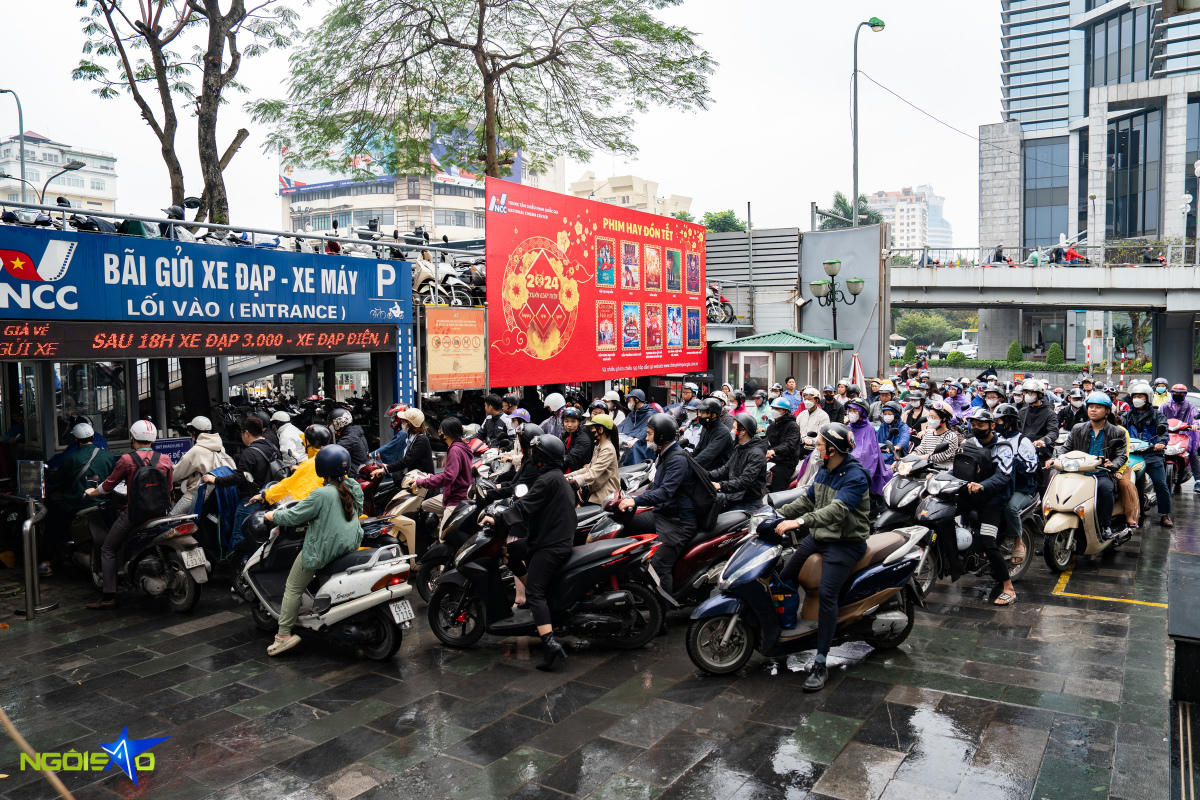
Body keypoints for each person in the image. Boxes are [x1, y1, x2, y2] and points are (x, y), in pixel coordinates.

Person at [773, 423, 870, 691]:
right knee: (785, 576)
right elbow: (808, 500)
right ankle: (787, 628)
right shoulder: (825, 470)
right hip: (820, 536)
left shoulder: (855, 476)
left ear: (833, 449)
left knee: (828, 595)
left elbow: (836, 511)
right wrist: (778, 514)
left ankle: (820, 661)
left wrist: (800, 522)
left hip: (845, 543)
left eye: (820, 445)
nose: (816, 448)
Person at [263, 444, 363, 656]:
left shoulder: (321, 494)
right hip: (349, 546)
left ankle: (282, 636)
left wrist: (273, 516)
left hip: (324, 551)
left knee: (292, 586)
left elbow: (294, 516)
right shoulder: (353, 487)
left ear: (321, 468)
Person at [492, 435, 576, 670]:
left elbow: (523, 506)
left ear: (542, 457)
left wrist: (498, 518)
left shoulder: (547, 480)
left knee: (536, 594)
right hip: (550, 538)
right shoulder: (555, 478)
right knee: (512, 549)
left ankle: (550, 645)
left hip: (551, 545)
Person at [83, 420, 174, 609]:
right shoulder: (165, 459)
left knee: (107, 548)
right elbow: (170, 487)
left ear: (132, 438)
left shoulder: (126, 460)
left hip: (135, 514)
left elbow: (108, 485)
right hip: (161, 512)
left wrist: (93, 492)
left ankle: (108, 595)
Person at [619, 414, 693, 595]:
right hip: (663, 514)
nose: (646, 438)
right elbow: (654, 486)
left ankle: (662, 615)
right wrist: (629, 495)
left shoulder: (677, 460)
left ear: (660, 436)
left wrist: (635, 501)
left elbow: (665, 492)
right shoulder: (664, 454)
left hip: (678, 522)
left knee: (659, 565)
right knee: (624, 524)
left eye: (650, 434)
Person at [951, 408, 1018, 605]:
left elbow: (1003, 476)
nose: (976, 427)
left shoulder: (1003, 447)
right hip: (970, 495)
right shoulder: (970, 443)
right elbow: (958, 468)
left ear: (991, 425)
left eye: (980, 424)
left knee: (989, 541)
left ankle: (1008, 587)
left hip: (993, 500)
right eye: (973, 424)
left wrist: (983, 485)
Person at [42, 422, 116, 575]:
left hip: (78, 504)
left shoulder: (70, 458)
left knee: (52, 520)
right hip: (104, 503)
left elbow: (58, 480)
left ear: (75, 440)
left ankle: (48, 560)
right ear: (94, 436)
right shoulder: (108, 456)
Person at [202, 416, 281, 554]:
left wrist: (215, 480)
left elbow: (240, 478)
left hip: (250, 501)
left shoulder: (249, 453)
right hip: (270, 499)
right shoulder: (272, 447)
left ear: (246, 433)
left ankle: (238, 570)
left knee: (240, 537)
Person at [1058, 392, 1128, 541]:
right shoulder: (1078, 428)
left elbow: (1122, 455)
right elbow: (1066, 447)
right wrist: (1055, 458)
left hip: (1101, 473)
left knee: (1106, 489)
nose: (1093, 410)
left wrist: (1112, 464)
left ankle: (1105, 525)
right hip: (1078, 472)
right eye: (1090, 407)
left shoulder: (1117, 432)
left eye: (1098, 407)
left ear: (1107, 411)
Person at [1123, 381, 1172, 527]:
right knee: (1128, 484)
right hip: (1132, 454)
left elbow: (1164, 430)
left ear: (1148, 398)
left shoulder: (1158, 415)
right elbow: (1119, 429)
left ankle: (1165, 514)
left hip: (1152, 454)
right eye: (1135, 396)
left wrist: (1161, 442)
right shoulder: (1127, 415)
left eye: (1141, 396)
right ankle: (1132, 512)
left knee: (1160, 483)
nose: (1137, 399)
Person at [994, 404, 1037, 566]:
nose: (995, 424)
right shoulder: (995, 438)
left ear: (1009, 421)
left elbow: (1031, 467)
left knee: (1010, 507)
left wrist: (1011, 461)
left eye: (998, 420)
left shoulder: (1022, 441)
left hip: (1022, 488)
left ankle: (1018, 542)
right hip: (1000, 486)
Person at [413, 417, 473, 529]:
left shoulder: (455, 450)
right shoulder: (461, 446)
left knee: (444, 537)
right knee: (425, 505)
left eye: (441, 430)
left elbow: (449, 477)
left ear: (447, 433)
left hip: (456, 499)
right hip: (453, 494)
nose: (439, 432)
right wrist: (432, 477)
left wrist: (423, 482)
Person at [171, 416, 235, 515]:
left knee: (171, 519)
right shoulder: (219, 447)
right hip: (218, 493)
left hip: (197, 494)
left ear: (194, 432)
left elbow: (175, 474)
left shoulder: (196, 451)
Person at [257, 425, 333, 507]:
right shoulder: (332, 457)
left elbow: (287, 486)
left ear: (308, 443)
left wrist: (265, 495)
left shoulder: (310, 464)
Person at [707, 413, 767, 513]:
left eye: (734, 428)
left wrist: (720, 485)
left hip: (747, 502)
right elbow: (725, 469)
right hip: (733, 497)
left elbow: (744, 481)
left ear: (743, 431)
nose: (732, 431)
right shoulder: (739, 447)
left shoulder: (756, 454)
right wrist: (705, 475)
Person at [843, 398, 891, 513]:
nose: (851, 413)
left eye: (855, 411)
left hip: (859, 470)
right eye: (849, 410)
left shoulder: (868, 429)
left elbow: (867, 454)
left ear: (862, 413)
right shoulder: (848, 427)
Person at [567, 413, 620, 504]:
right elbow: (589, 468)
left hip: (603, 496)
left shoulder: (607, 449)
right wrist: (568, 475)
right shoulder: (599, 446)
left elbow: (593, 473)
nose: (590, 430)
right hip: (594, 491)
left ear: (601, 429)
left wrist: (573, 479)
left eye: (592, 428)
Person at [1161, 384, 1200, 493]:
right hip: (1168, 433)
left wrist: (1195, 424)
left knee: (1193, 452)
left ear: (1185, 394)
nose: (1178, 394)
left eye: (1180, 393)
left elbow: (1195, 416)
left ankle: (1198, 481)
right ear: (1171, 393)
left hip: (1186, 433)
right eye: (1175, 392)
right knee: (1156, 451)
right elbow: (1158, 416)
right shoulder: (1165, 406)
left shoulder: (1190, 406)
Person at [1018, 378, 1057, 471]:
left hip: (1041, 453)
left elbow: (1053, 432)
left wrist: (1043, 441)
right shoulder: (1022, 412)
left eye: (1030, 393)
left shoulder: (1050, 413)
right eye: (1026, 393)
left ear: (1039, 395)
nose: (1027, 395)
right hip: (1022, 452)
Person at [765, 398, 803, 492]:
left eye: (777, 409)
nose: (774, 411)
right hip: (772, 460)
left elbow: (790, 444)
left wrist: (774, 451)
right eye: (773, 408)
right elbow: (766, 442)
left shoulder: (792, 426)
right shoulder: (771, 426)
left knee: (777, 480)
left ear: (785, 411)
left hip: (786, 462)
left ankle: (776, 502)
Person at [692, 397, 735, 469]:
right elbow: (698, 450)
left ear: (713, 415)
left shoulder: (722, 432)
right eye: (700, 412)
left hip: (718, 473)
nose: (700, 415)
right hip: (706, 469)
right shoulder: (706, 428)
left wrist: (690, 465)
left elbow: (707, 455)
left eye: (703, 412)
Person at [794, 386, 830, 458]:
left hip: (816, 449)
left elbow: (823, 434)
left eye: (810, 399)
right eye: (805, 399)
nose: (807, 401)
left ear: (816, 400)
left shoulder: (823, 416)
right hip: (800, 448)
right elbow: (796, 430)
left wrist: (812, 441)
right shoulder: (801, 414)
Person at [875, 401, 910, 466]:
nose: (887, 416)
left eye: (889, 414)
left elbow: (905, 439)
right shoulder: (883, 425)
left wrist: (897, 446)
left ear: (896, 415)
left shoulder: (903, 426)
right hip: (882, 452)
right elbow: (877, 439)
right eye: (885, 414)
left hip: (895, 453)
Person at [560, 407, 593, 473]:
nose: (569, 425)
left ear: (579, 422)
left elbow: (570, 459)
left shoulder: (583, 439)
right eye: (566, 421)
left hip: (577, 475)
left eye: (573, 421)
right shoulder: (565, 435)